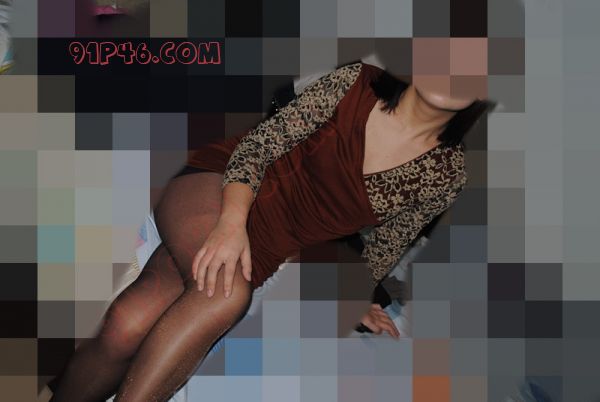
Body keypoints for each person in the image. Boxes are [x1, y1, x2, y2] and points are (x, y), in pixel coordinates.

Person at [48, 57, 496, 401]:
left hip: (270, 242)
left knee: (126, 325)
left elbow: (386, 247)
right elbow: (257, 149)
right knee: (224, 294)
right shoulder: (356, 82)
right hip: (223, 187)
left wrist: (355, 295)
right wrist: (230, 224)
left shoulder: (447, 173)